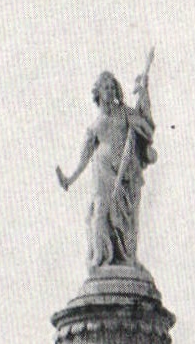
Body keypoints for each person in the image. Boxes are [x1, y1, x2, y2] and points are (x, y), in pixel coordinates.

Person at [56, 56, 156, 271]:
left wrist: (144, 94)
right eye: (106, 88)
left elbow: (147, 128)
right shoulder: (94, 126)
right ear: (98, 93)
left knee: (125, 220)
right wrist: (70, 179)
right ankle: (100, 260)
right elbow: (84, 158)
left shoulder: (125, 113)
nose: (110, 91)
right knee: (100, 211)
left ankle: (125, 258)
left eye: (113, 87)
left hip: (125, 172)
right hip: (102, 171)